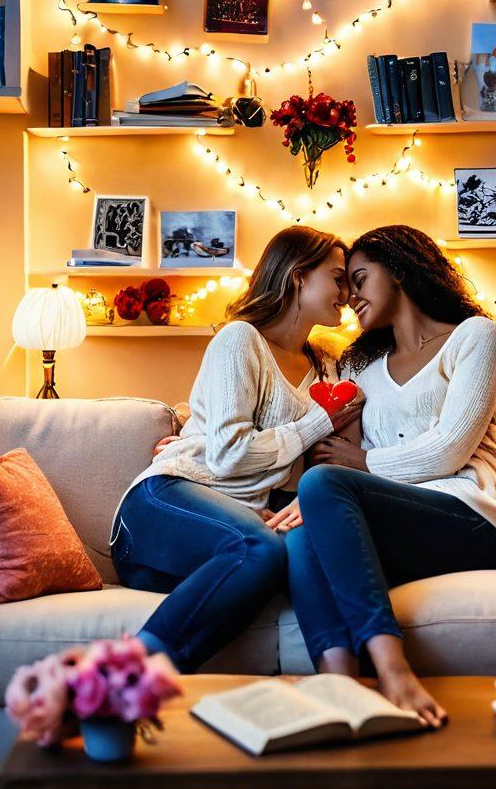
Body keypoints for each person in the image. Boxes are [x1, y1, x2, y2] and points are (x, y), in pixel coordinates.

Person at [285, 225, 496, 727]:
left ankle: (392, 669)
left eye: (360, 279)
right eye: (344, 286)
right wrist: (196, 434)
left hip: (466, 516)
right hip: (393, 527)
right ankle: (340, 678)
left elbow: (450, 449)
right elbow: (315, 438)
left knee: (323, 487)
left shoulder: (474, 337)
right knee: (304, 524)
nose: (350, 299)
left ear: (400, 270)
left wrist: (364, 464)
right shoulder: (360, 367)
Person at [108, 226, 358, 674]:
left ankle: (338, 682)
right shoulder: (240, 340)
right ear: (299, 275)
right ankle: (128, 676)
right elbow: (227, 455)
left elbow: (318, 457)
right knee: (259, 549)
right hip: (164, 507)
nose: (346, 292)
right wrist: (316, 424)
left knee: (281, 552)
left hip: (225, 530)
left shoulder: (327, 365)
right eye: (337, 277)